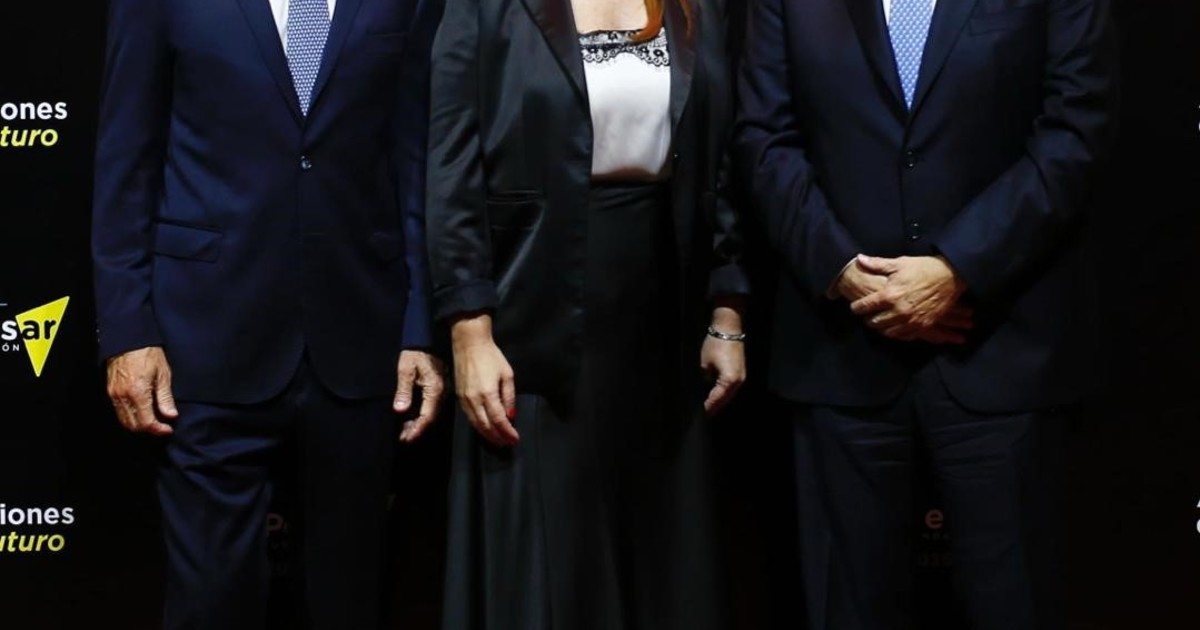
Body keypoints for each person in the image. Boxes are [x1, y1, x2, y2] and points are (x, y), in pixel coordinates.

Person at [735, 0, 1116, 628]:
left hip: (1000, 347)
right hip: (842, 351)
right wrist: (843, 270)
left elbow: (1075, 129)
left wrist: (958, 267)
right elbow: (764, 137)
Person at [92, 0, 445, 627]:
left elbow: (416, 160)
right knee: (210, 601)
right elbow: (126, 160)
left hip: (362, 332)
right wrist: (127, 331)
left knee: (348, 599)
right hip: (203, 337)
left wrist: (420, 325)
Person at [426, 0, 749, 627]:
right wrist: (469, 329)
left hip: (665, 323)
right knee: (555, 564)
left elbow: (722, 162)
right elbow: (451, 168)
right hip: (529, 317)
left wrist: (727, 310)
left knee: (661, 561)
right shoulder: (487, 8)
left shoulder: (698, 7)